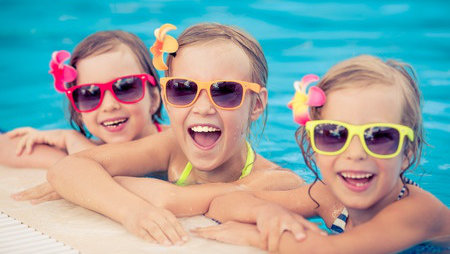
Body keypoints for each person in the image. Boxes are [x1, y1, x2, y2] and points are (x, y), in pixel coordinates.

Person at [46, 23, 304, 246]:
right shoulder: (172, 147)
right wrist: (132, 211)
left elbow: (170, 200)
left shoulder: (276, 181)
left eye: (225, 91)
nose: (203, 108)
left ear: (257, 105)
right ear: (166, 99)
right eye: (183, 89)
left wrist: (113, 181)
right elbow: (66, 169)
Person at [194, 55, 450, 253]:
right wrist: (266, 213)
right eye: (334, 135)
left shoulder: (417, 211)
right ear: (313, 146)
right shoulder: (326, 196)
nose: (356, 153)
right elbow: (222, 204)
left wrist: (259, 237)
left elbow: (330, 250)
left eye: (379, 137)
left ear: (407, 152)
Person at [5, 30, 165, 203]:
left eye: (125, 87)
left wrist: (74, 145)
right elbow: (7, 146)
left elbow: (119, 176)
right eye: (90, 94)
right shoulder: (88, 148)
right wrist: (73, 159)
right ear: (79, 113)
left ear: (155, 99)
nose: (109, 105)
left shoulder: (172, 142)